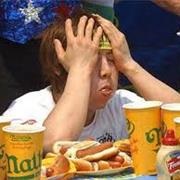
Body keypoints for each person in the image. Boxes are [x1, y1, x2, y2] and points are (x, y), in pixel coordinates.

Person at [3, 9, 180, 153]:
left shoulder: (122, 103)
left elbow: (177, 118)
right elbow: (53, 144)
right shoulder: (27, 109)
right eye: (92, 61)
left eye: (111, 60)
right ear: (58, 66)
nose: (106, 72)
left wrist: (128, 65)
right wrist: (80, 69)